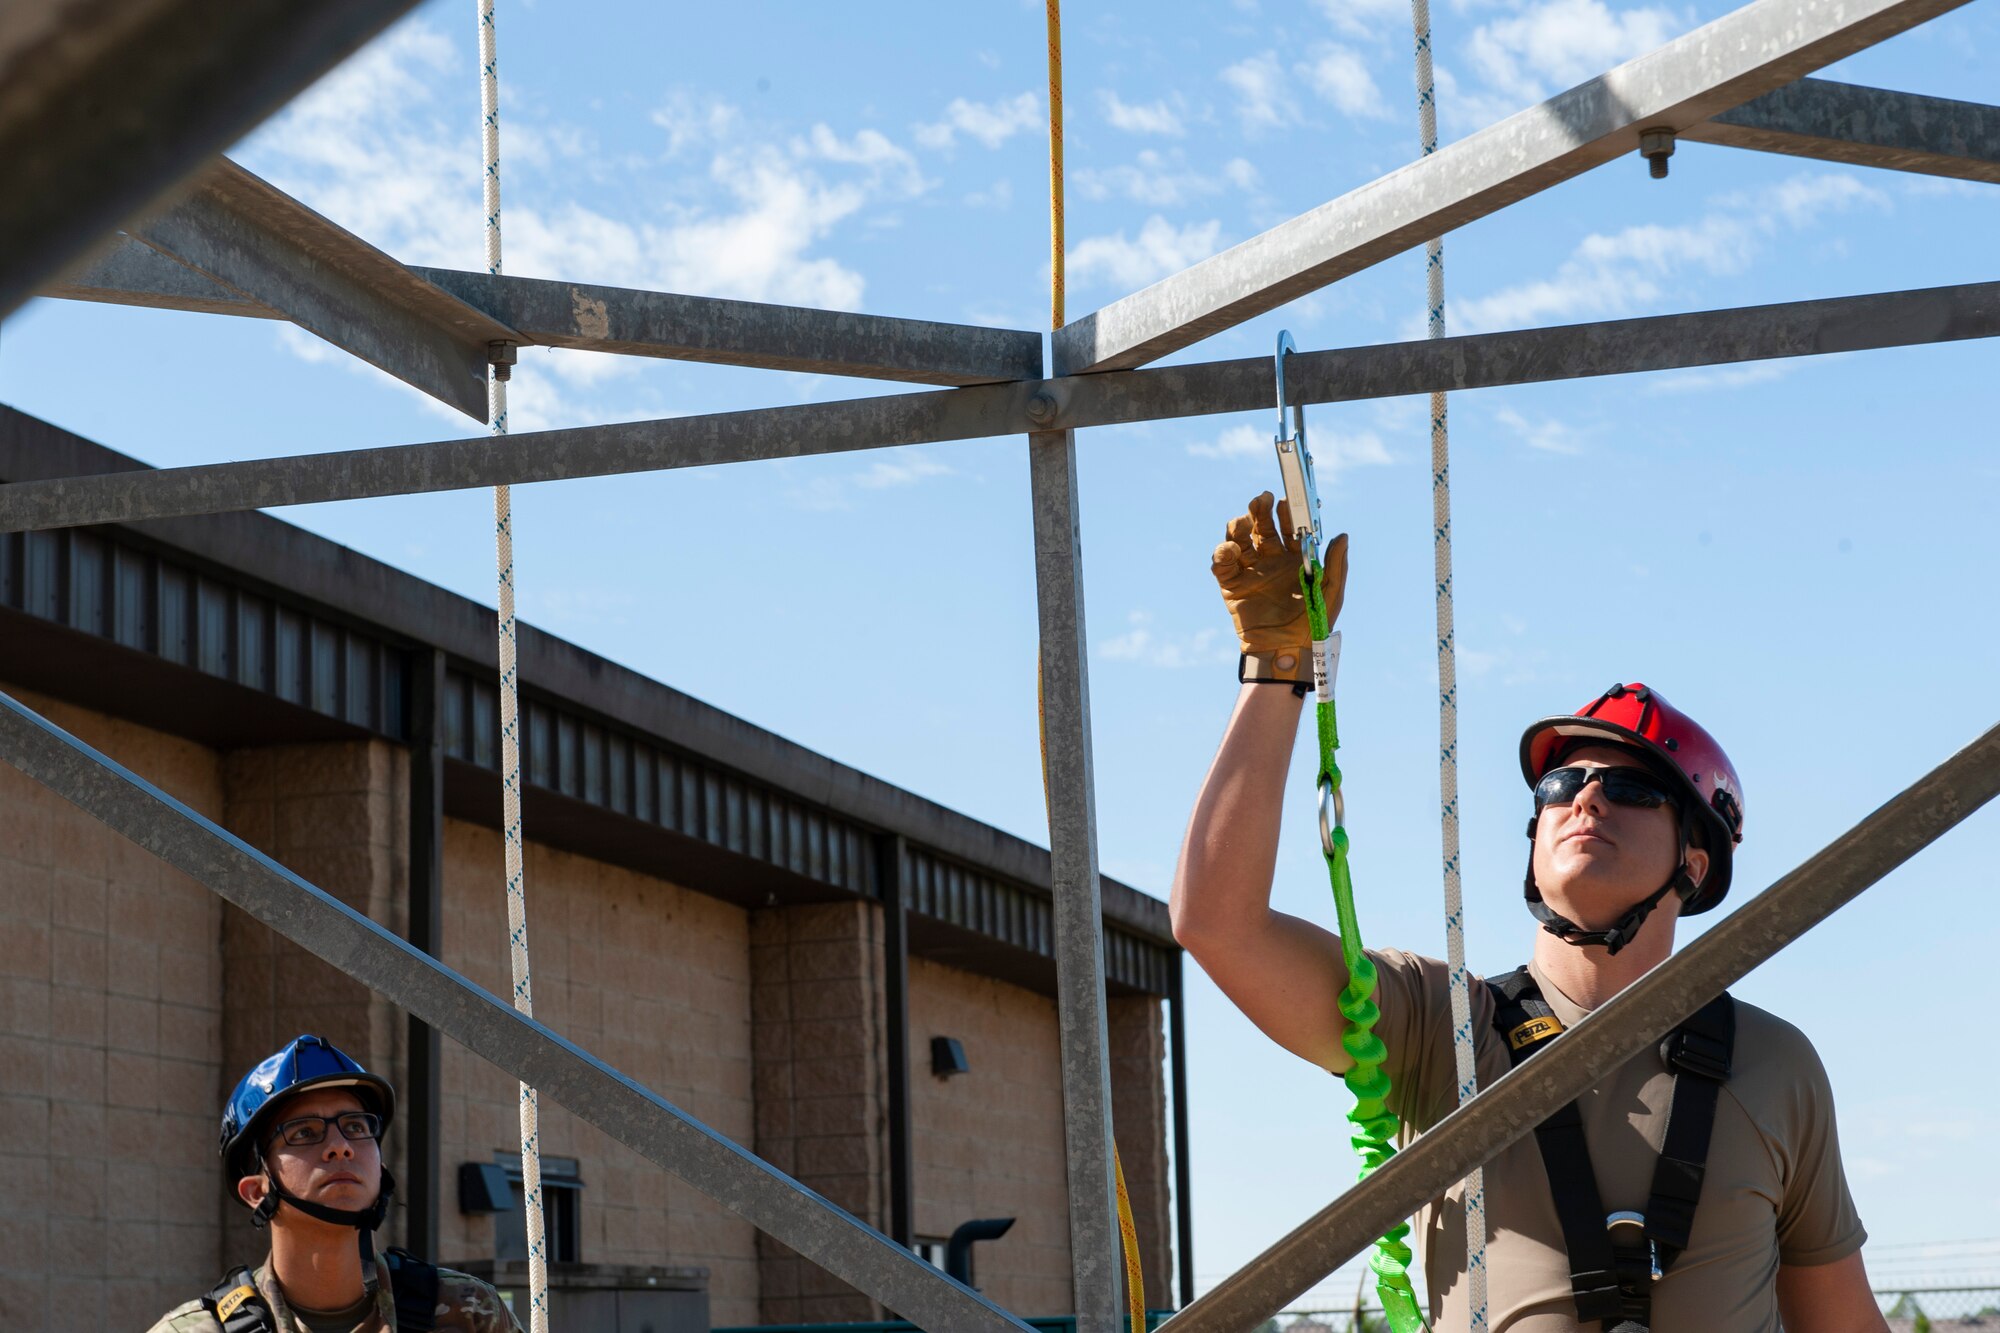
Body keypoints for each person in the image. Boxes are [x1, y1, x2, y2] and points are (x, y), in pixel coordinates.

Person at [1172, 492, 1884, 1332]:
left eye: (1628, 787)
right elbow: (1217, 922)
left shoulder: (1774, 1066)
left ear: (1694, 862)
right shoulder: (1441, 1029)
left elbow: (1845, 1323)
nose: (1586, 798)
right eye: (1560, 785)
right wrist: (1277, 671)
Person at [147, 1035, 522, 1333]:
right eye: (304, 1132)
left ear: (381, 1167)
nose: (340, 1147)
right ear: (256, 1191)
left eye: (356, 1127)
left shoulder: (470, 1311)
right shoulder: (196, 1330)